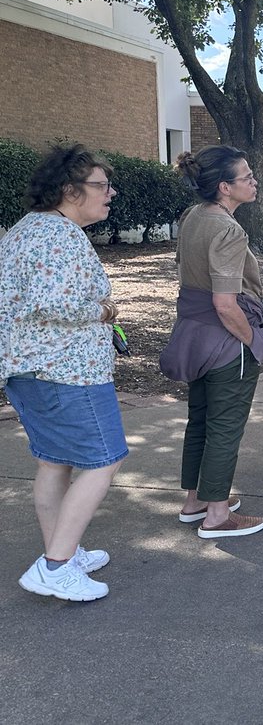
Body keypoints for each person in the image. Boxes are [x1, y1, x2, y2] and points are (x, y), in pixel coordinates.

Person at [0, 145, 125, 601]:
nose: (110, 193)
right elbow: (53, 303)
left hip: (32, 370)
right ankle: (55, 566)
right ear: (70, 190)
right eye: (101, 185)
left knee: (53, 462)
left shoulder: (29, 229)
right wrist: (105, 310)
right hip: (65, 372)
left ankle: (63, 553)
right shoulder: (58, 234)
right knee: (104, 460)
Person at [161, 146, 263, 539]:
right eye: (246, 177)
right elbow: (225, 304)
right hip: (226, 341)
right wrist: (253, 340)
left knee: (201, 420)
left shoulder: (193, 216)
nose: (254, 182)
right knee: (225, 426)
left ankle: (196, 501)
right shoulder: (227, 229)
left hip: (194, 335)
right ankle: (218, 516)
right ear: (225, 187)